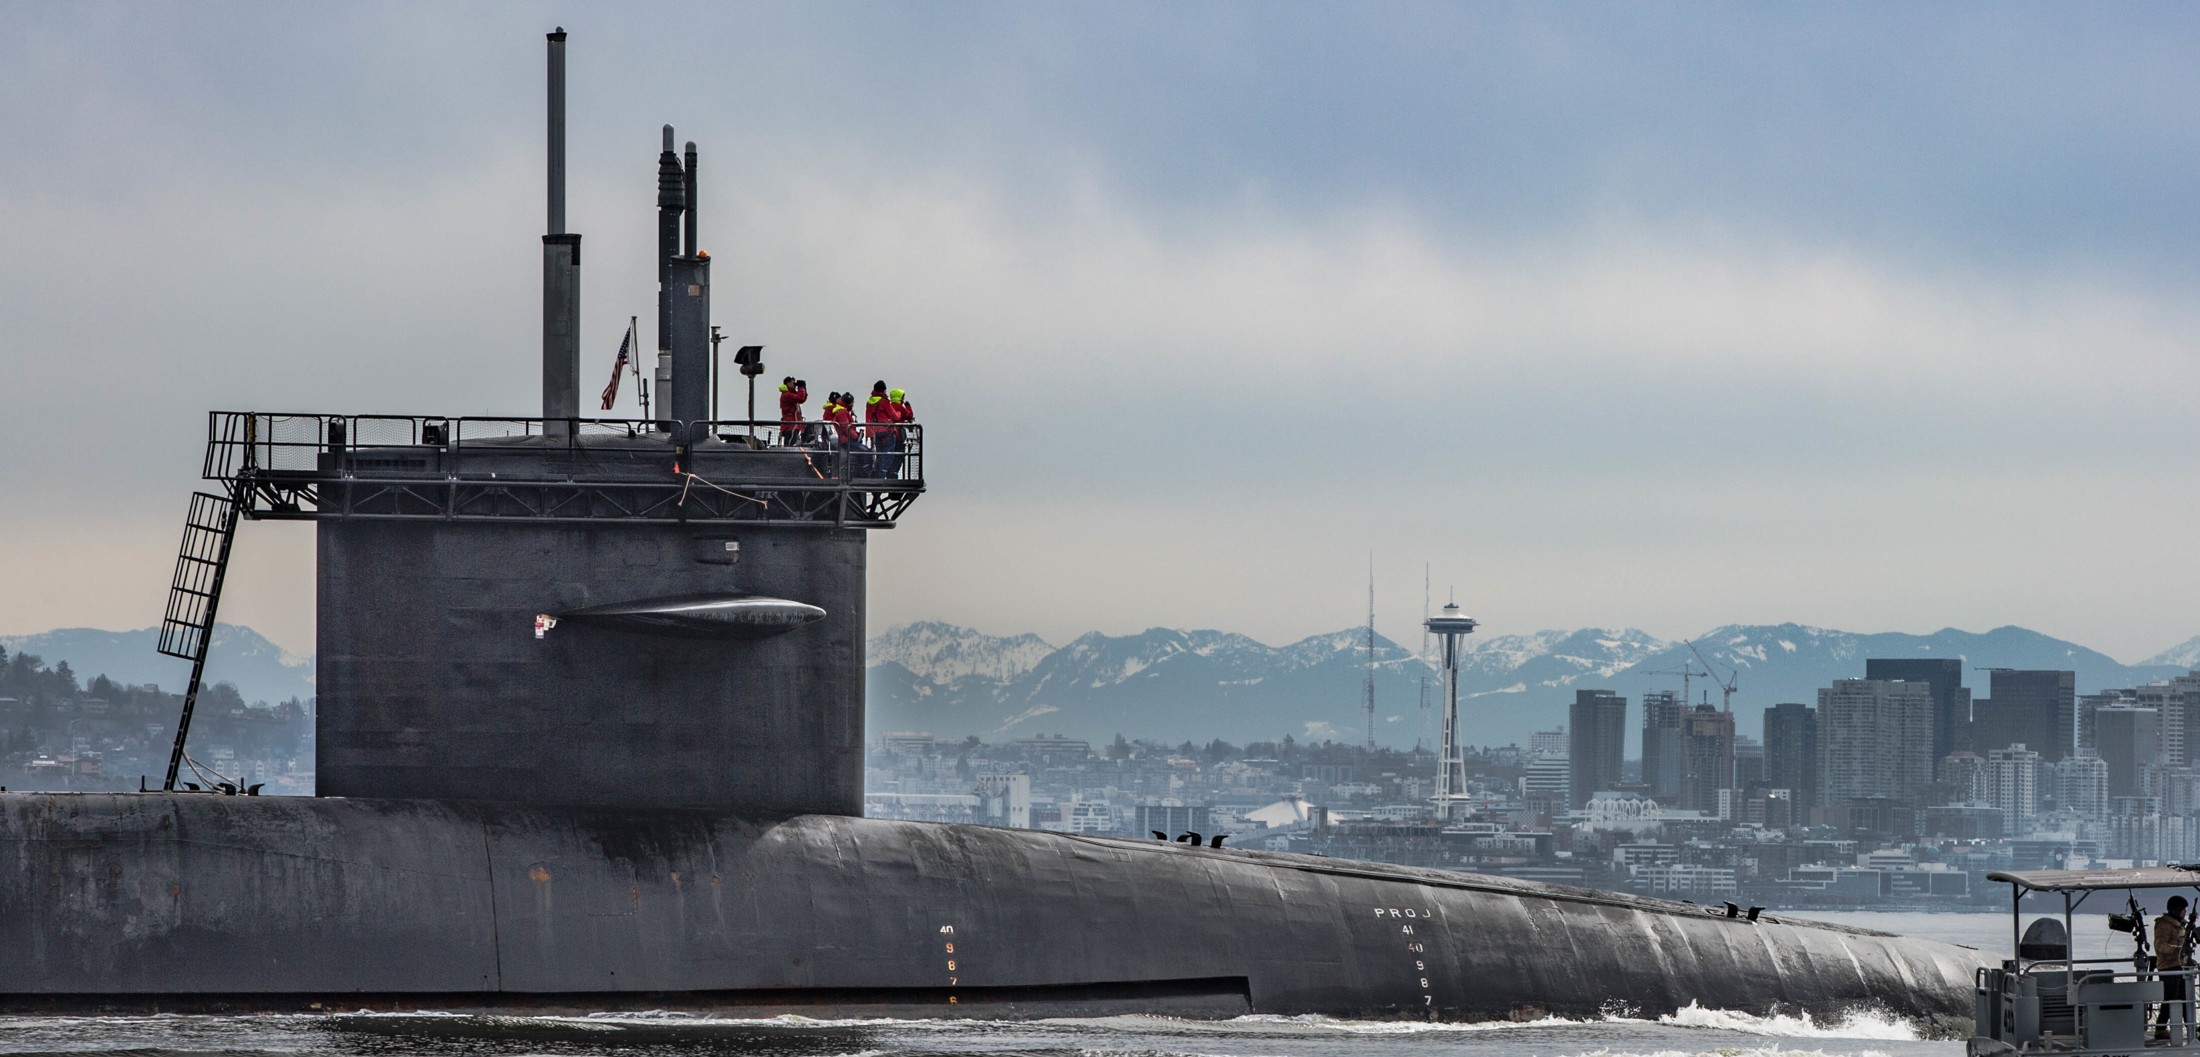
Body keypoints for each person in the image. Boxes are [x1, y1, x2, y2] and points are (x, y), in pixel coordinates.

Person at [2159, 896, 2193, 1041]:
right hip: (2168, 968)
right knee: (2170, 997)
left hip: (2180, 966)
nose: (2185, 912)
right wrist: (2179, 949)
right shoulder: (2164, 925)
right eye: (2183, 909)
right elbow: (2160, 946)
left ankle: (2190, 1024)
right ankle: (2160, 1028)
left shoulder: (2180, 925)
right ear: (2176, 910)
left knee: (2185, 996)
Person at [864, 380, 899, 476]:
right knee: (888, 455)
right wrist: (899, 413)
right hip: (886, 431)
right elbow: (895, 416)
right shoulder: (884, 402)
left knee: (879, 455)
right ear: (883, 391)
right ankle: (882, 475)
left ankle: (876, 474)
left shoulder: (869, 402)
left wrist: (869, 433)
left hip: (874, 432)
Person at [778, 377, 808, 445]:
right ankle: (787, 454)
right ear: (788, 383)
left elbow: (801, 399)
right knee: (790, 443)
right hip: (791, 425)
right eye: (793, 383)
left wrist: (803, 388)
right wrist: (801, 387)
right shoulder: (787, 394)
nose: (795, 385)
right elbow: (800, 398)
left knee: (792, 441)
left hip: (793, 424)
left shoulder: (790, 394)